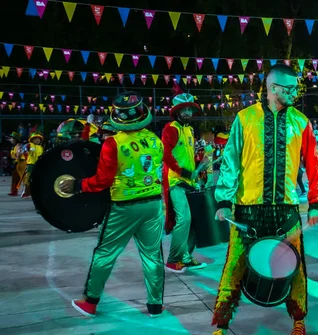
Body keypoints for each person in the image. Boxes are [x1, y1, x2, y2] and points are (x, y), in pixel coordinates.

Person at [201, 64, 318, 335]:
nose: (295, 92)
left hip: (286, 210)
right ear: (272, 88)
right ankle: (220, 328)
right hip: (248, 210)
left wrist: (315, 203)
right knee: (234, 266)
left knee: (295, 269)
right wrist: (223, 200)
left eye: (296, 87)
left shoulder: (301, 122)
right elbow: (230, 161)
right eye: (289, 88)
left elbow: (313, 164)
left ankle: (298, 320)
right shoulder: (245, 120)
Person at [60, 92, 166, 318]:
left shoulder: (113, 143)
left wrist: (78, 185)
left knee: (106, 252)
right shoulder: (156, 141)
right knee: (153, 255)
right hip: (154, 204)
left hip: (124, 207)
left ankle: (90, 301)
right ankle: (155, 306)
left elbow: (102, 181)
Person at [162, 86, 207, 273]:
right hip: (176, 182)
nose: (188, 112)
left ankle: (186, 257)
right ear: (177, 111)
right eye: (185, 109)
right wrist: (185, 173)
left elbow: (186, 155)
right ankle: (173, 259)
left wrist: (199, 165)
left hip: (189, 182)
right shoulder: (171, 129)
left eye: (190, 109)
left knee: (194, 221)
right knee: (184, 219)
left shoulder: (188, 130)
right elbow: (165, 154)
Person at [21, 131, 45, 198]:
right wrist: (26, 149)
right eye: (36, 139)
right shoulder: (30, 145)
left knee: (37, 179)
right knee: (28, 179)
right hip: (31, 165)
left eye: (39, 139)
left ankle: (35, 192)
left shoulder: (41, 147)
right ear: (32, 140)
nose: (37, 140)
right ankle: (26, 192)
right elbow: (25, 148)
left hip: (38, 165)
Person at [8, 132, 27, 196]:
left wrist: (16, 160)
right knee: (15, 178)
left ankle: (26, 192)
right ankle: (14, 191)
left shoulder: (18, 145)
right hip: (17, 162)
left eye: (11, 138)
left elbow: (18, 154)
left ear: (15, 139)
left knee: (24, 178)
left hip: (21, 162)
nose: (10, 139)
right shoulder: (14, 146)